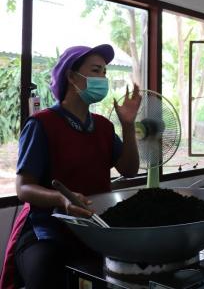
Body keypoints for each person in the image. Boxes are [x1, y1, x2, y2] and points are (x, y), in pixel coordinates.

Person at [0, 44, 141, 289]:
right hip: (48, 229)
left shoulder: (103, 127)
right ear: (71, 75)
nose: (103, 79)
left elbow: (129, 169)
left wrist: (128, 125)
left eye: (105, 72)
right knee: (45, 275)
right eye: (96, 70)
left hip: (94, 229)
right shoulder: (42, 124)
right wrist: (61, 199)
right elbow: (24, 188)